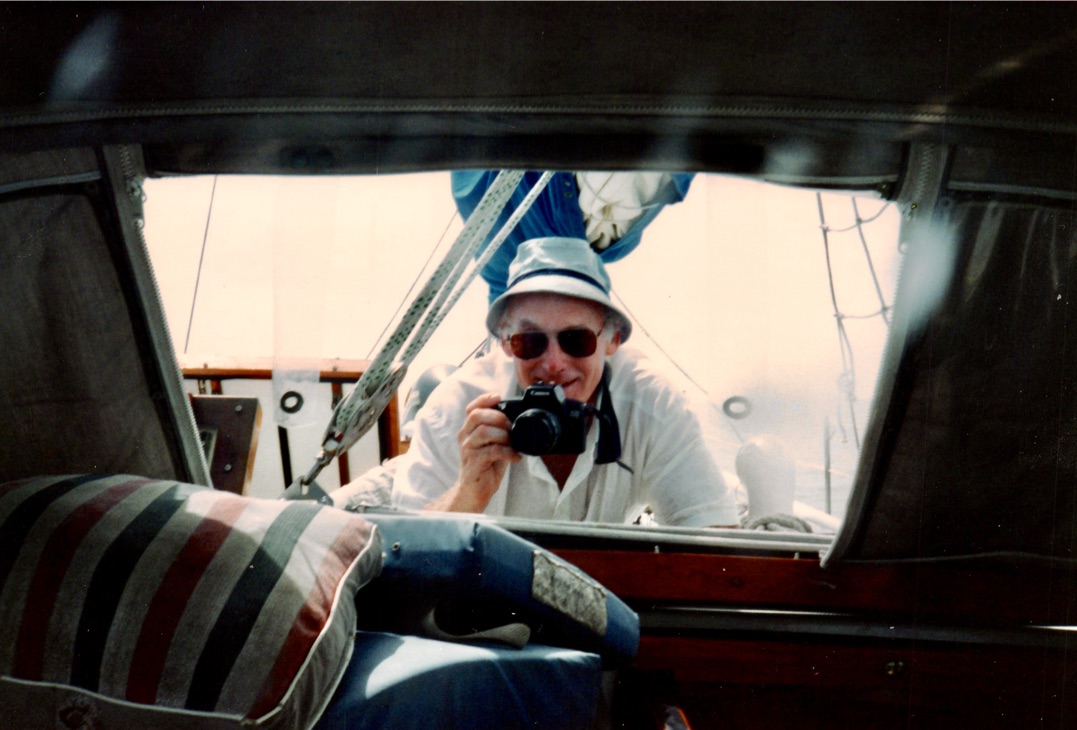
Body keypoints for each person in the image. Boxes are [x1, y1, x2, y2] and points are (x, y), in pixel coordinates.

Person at [390, 236, 738, 527]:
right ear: (505, 342)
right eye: (530, 341)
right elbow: (403, 548)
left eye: (576, 340)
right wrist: (466, 494)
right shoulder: (456, 410)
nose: (554, 363)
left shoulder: (653, 405)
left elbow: (717, 541)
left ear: (612, 341)